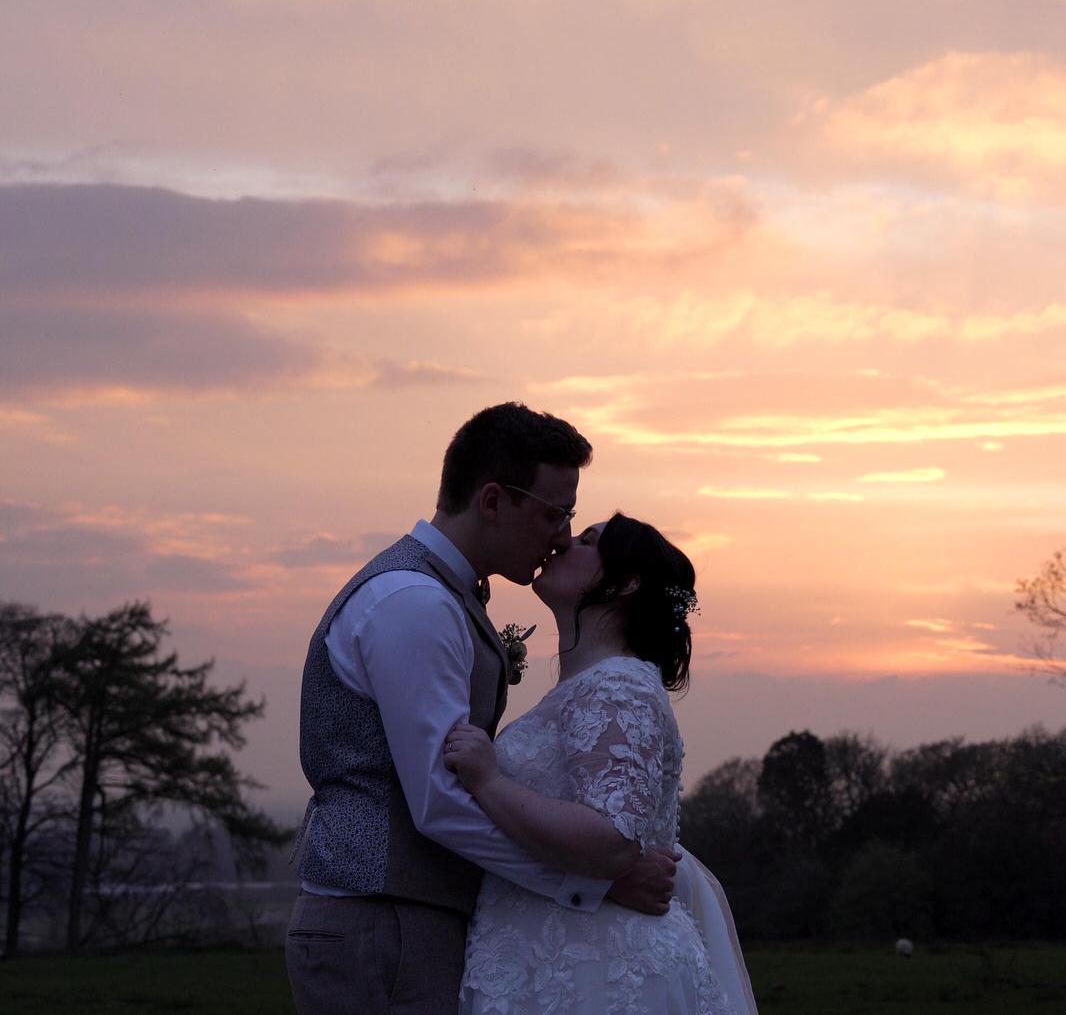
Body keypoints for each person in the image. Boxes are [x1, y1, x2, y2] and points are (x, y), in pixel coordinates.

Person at [285, 403, 680, 1015]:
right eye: (556, 514)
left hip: (404, 919)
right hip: (381, 924)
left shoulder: (436, 596)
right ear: (493, 502)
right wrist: (593, 883)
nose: (562, 536)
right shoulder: (415, 603)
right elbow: (440, 801)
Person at [443, 513, 757, 1014]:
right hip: (561, 962)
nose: (563, 541)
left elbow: (611, 840)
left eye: (587, 540)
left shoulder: (616, 688)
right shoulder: (594, 687)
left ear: (624, 583)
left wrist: (489, 781)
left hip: (598, 973)